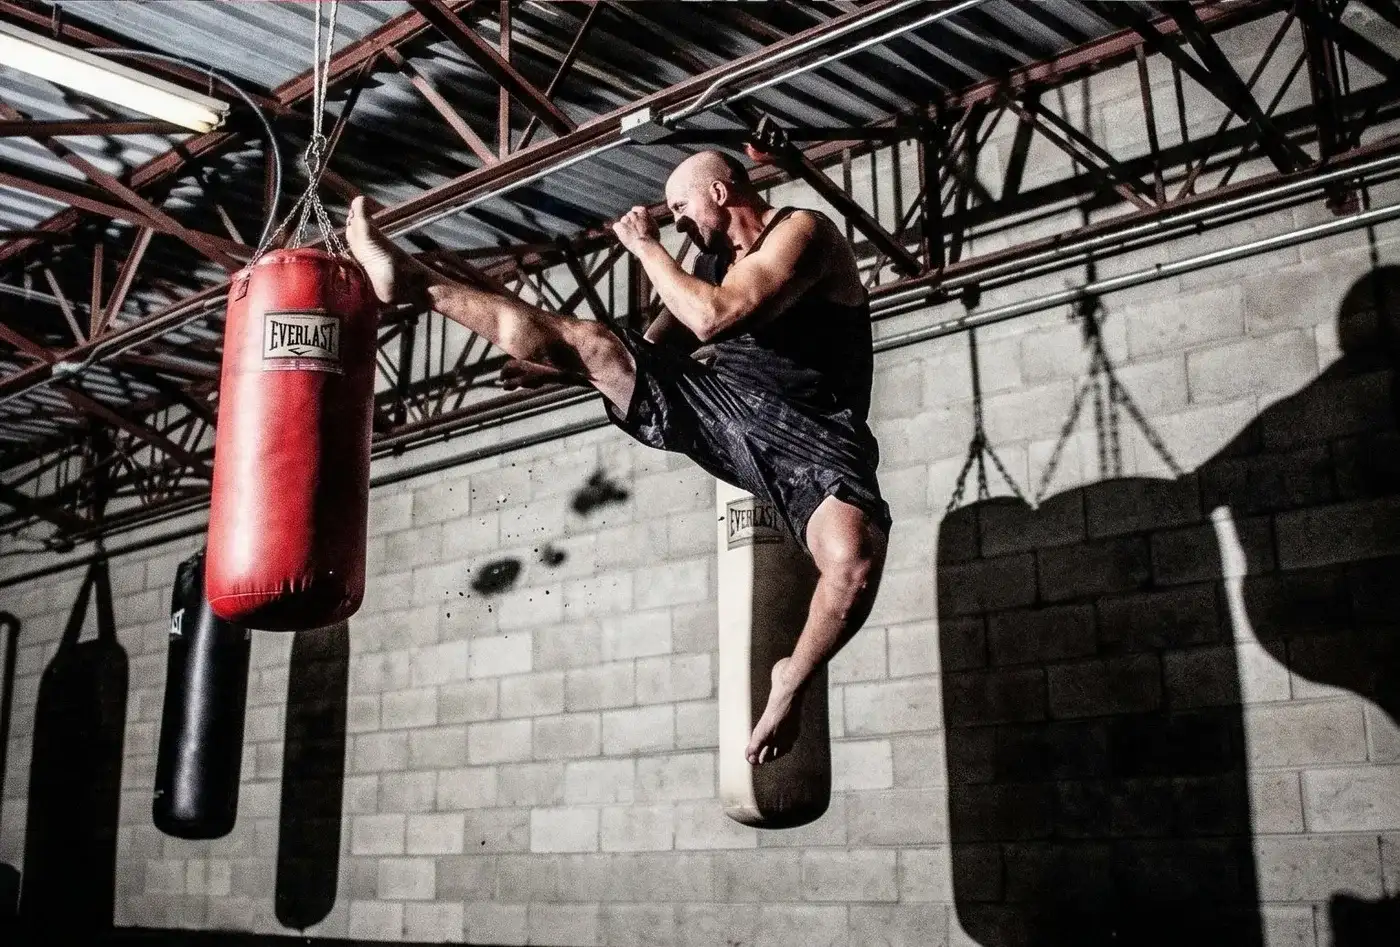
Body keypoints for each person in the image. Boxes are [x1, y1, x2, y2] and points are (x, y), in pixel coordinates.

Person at [346, 150, 890, 766]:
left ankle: (790, 679)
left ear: (719, 193)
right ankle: (414, 280)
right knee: (594, 344)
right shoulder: (711, 263)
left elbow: (714, 316)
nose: (676, 223)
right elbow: (651, 346)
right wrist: (566, 362)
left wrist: (646, 247)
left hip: (814, 433)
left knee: (852, 568)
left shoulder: (802, 231)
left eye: (680, 208)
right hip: (723, 406)